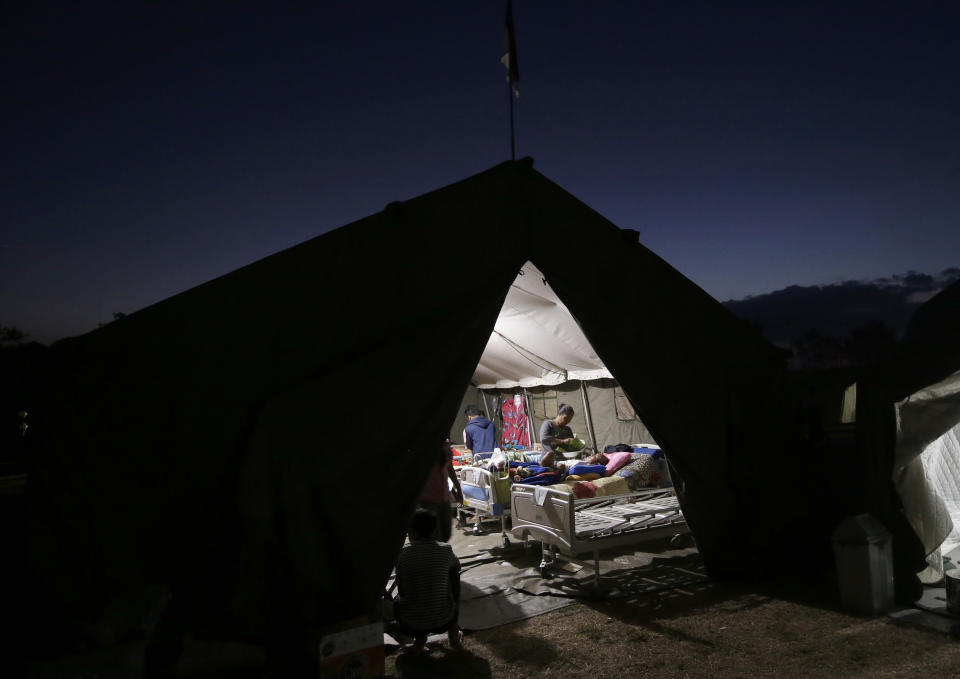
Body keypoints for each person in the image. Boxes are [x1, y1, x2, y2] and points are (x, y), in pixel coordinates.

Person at [392, 509, 463, 652]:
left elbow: (401, 588)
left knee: (399, 598)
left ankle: (419, 640)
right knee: (454, 574)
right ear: (433, 530)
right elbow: (457, 566)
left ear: (411, 531)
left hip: (410, 623)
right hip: (445, 619)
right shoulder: (446, 549)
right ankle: (453, 635)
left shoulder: (403, 553)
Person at [417, 436, 463, 542]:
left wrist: (458, 489)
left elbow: (449, 468)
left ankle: (439, 554)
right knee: (431, 534)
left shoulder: (446, 447)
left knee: (445, 533)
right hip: (426, 498)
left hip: (443, 497)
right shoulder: (423, 445)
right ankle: (434, 555)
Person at [539, 404, 575, 468]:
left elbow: (572, 446)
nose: (567, 421)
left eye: (570, 419)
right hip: (549, 461)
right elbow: (544, 439)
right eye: (565, 418)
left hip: (565, 460)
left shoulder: (567, 429)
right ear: (559, 414)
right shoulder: (548, 424)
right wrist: (562, 441)